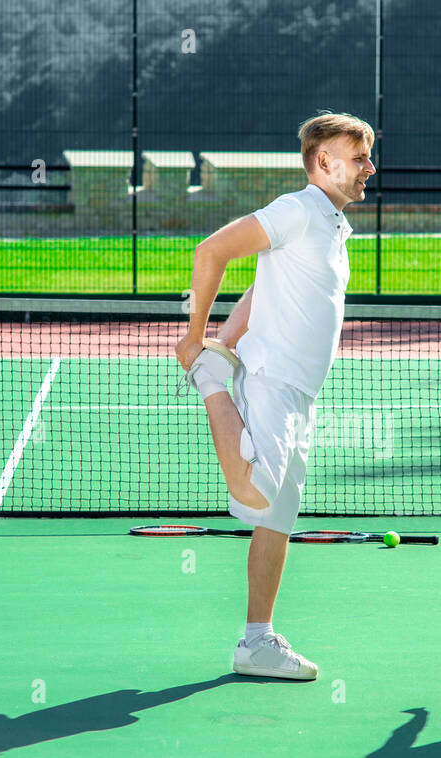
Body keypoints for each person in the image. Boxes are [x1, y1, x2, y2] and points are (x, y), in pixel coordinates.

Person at [175, 111, 375, 681]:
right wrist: (198, 347)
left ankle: (256, 642)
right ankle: (208, 382)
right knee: (257, 493)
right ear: (322, 163)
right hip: (271, 380)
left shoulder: (332, 225)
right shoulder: (298, 209)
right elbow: (211, 251)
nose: (368, 167)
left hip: (301, 392)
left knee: (278, 518)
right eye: (357, 157)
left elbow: (266, 284)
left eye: (366, 156)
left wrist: (227, 337)